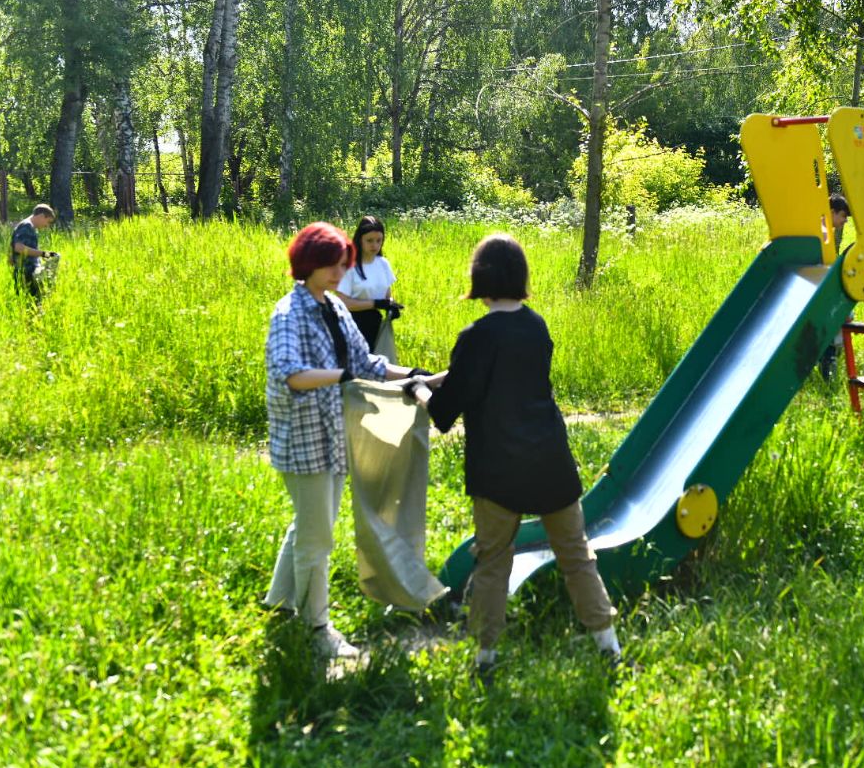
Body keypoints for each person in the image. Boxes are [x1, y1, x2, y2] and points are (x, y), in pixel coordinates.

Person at [402, 233, 621, 681]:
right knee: (577, 557)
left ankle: (485, 658)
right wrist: (448, 375)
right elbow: (501, 370)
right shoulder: (536, 326)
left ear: (478, 277)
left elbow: (445, 412)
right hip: (550, 463)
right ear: (520, 276)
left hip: (498, 469)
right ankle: (609, 649)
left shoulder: (475, 336)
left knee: (494, 561)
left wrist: (420, 387)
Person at [262, 222, 433, 659]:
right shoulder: (289, 312)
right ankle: (316, 628)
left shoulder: (334, 310)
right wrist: (342, 378)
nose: (340, 271)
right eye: (332, 264)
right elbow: (290, 373)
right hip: (303, 439)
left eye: (344, 264)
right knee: (318, 537)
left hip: (334, 433)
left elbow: (368, 363)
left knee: (310, 524)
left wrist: (418, 376)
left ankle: (279, 604)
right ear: (308, 264)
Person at [335, 215, 402, 357]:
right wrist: (376, 303)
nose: (375, 245)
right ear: (360, 240)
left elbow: (386, 294)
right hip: (351, 325)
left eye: (379, 241)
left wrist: (391, 306)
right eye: (370, 241)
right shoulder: (349, 266)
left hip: (376, 324)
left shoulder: (383, 264)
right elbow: (343, 303)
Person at [818, 194, 851, 381]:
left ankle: (827, 357)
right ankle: (828, 362)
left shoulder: (822, 231)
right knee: (841, 317)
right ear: (831, 212)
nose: (845, 221)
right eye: (843, 215)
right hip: (822, 290)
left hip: (820, 286)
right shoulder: (824, 234)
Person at [10, 204, 58, 301]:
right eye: (47, 222)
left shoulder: (28, 227)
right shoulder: (26, 226)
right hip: (26, 273)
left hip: (27, 272)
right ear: (41, 216)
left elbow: (12, 248)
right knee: (32, 304)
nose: (47, 226)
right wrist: (44, 254)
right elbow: (18, 248)